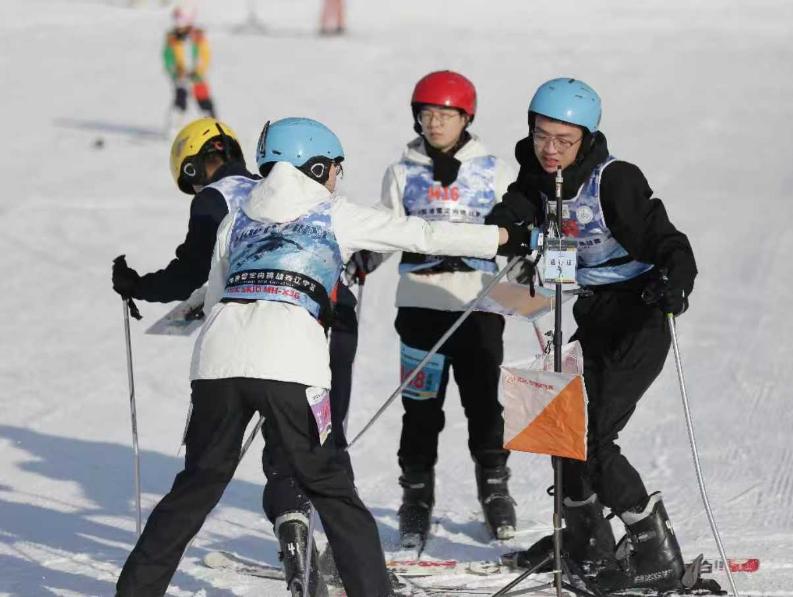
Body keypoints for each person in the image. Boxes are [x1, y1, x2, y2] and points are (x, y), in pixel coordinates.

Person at [113, 117, 533, 597]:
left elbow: (214, 296)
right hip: (291, 366)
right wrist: (502, 238)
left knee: (196, 486)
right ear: (314, 167)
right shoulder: (333, 213)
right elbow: (421, 234)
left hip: (217, 365)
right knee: (332, 489)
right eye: (335, 167)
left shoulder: (236, 218)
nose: (337, 177)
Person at [108, 117, 368, 593]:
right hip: (333, 321)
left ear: (194, 167)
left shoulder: (217, 200)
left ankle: (296, 545)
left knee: (236, 455)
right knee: (317, 446)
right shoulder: (275, 187)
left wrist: (138, 285)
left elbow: (191, 272)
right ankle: (328, 551)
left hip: (272, 337)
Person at [487, 78, 698, 592]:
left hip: (639, 316)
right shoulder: (537, 175)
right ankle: (585, 541)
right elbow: (511, 215)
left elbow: (669, 242)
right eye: (541, 136)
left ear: (586, 139)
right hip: (593, 314)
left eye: (564, 140)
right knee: (562, 426)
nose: (550, 149)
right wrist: (502, 236)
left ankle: (654, 551)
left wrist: (675, 280)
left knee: (592, 438)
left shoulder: (614, 180)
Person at [375, 70, 519, 549]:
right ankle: (416, 497)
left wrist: (531, 270)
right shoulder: (402, 173)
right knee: (420, 410)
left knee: (483, 404)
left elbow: (516, 234)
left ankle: (495, 489)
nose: (434, 123)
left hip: (478, 305)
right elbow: (383, 232)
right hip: (420, 304)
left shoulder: (495, 171)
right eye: (426, 114)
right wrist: (356, 262)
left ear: (465, 117)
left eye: (445, 114)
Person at [163, 4, 216, 133]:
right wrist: (174, 71)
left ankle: (213, 127)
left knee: (203, 99)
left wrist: (199, 71)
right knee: (180, 98)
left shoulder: (198, 38)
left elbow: (205, 56)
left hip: (197, 76)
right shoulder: (172, 39)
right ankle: (174, 126)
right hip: (180, 76)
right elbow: (168, 57)